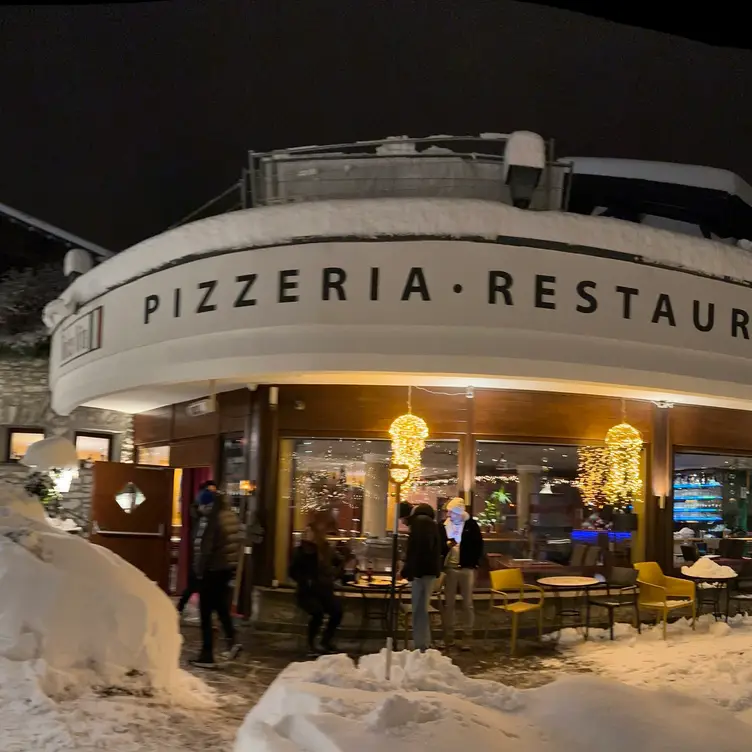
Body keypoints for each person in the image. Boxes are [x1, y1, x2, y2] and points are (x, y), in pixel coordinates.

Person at [191, 485, 243, 668]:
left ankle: (207, 655)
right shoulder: (230, 515)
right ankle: (232, 639)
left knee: (205, 612)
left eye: (202, 506)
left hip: (212, 570)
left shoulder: (212, 520)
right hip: (226, 569)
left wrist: (198, 571)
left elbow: (204, 549)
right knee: (220, 607)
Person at [288, 518, 343, 655]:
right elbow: (292, 571)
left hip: (324, 591)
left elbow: (339, 561)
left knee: (337, 611)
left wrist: (334, 574)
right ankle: (311, 644)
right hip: (307, 593)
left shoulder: (326, 549)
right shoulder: (301, 551)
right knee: (317, 612)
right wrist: (305, 580)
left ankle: (326, 640)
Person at [441, 497, 484, 650]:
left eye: (451, 511)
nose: (449, 514)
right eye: (448, 511)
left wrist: (474, 564)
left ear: (459, 512)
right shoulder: (444, 526)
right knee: (449, 604)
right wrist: (446, 546)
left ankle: (467, 634)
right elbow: (440, 545)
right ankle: (449, 635)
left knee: (467, 604)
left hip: (466, 568)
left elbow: (478, 545)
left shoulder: (471, 525)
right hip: (450, 569)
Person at [399, 501, 442, 652]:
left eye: (401, 519)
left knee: (418, 609)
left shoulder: (419, 523)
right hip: (429, 571)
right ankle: (424, 642)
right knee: (422, 608)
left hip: (421, 572)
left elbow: (417, 550)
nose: (403, 523)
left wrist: (407, 571)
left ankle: (421, 646)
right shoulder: (428, 521)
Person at [177, 480, 217, 616]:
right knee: (193, 585)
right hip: (200, 555)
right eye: (210, 490)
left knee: (202, 587)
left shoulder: (211, 515)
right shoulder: (200, 512)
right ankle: (181, 608)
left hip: (206, 556)